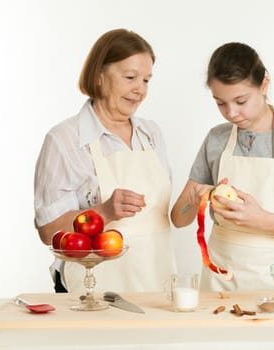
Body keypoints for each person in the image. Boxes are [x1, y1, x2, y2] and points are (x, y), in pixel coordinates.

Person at [170, 42, 274, 292]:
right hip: (220, 278)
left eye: (241, 100)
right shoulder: (216, 138)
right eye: (220, 103)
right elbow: (179, 219)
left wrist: (261, 219)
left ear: (264, 85)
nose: (231, 112)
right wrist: (196, 199)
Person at [34, 29, 176, 293]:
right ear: (99, 76)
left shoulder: (151, 133)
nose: (140, 90)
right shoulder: (64, 139)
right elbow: (48, 230)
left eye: (146, 80)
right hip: (93, 288)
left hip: (157, 282)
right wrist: (104, 212)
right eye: (130, 77)